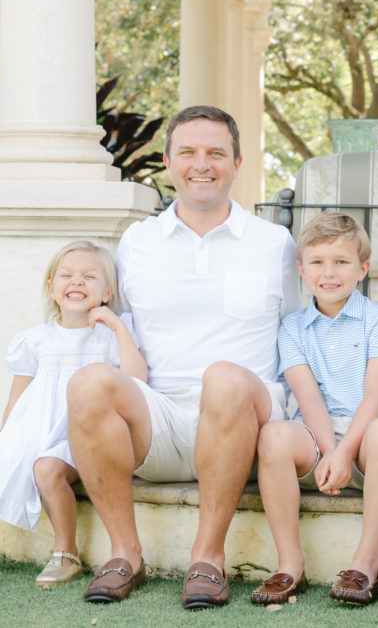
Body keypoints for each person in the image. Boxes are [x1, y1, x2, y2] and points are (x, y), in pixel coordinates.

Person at [66, 106, 300, 607]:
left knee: (225, 378)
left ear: (237, 162)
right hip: (160, 418)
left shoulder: (273, 243)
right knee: (89, 382)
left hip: (245, 417)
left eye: (216, 153)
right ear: (168, 164)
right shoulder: (137, 242)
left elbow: (301, 334)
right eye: (188, 152)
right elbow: (117, 333)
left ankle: (207, 557)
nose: (202, 164)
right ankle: (125, 554)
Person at [0, 241, 147, 587]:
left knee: (47, 468)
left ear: (108, 291)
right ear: (51, 288)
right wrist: (8, 437)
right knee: (8, 459)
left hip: (80, 436)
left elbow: (138, 381)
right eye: (66, 275)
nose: (77, 282)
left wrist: (119, 329)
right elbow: (17, 396)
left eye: (90, 276)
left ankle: (65, 552)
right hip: (35, 426)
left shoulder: (111, 337)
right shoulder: (35, 339)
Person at [253, 212, 378, 606]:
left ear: (363, 269)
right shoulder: (293, 327)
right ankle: (290, 564)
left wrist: (345, 452)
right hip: (318, 438)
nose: (329, 272)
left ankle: (366, 562)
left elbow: (376, 394)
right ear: (302, 270)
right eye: (318, 262)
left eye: (341, 262)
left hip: (369, 440)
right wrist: (329, 451)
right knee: (273, 435)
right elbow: (309, 398)